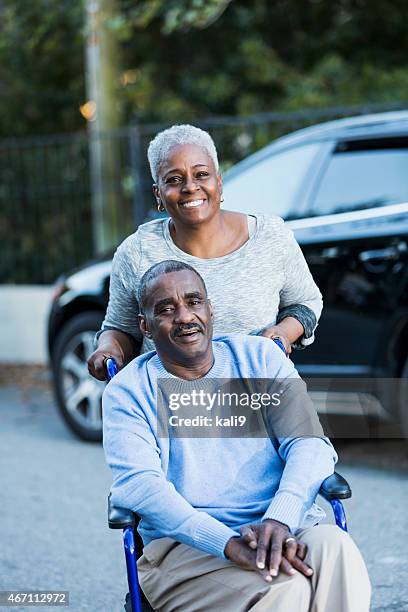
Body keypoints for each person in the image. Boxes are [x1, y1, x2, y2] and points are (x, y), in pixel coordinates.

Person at [103, 260, 371, 612]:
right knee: (287, 589)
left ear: (211, 309)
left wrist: (280, 518)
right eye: (166, 310)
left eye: (193, 301)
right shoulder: (130, 390)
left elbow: (309, 444)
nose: (184, 316)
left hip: (281, 526)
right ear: (146, 327)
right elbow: (141, 486)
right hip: (183, 550)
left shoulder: (259, 359)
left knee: (338, 549)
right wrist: (227, 542)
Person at [88, 124, 323, 380]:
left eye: (201, 174)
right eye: (174, 179)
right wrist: (109, 349)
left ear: (219, 182)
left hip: (254, 400)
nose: (190, 187)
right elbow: (120, 329)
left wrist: (282, 334)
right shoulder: (137, 251)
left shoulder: (270, 237)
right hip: (171, 405)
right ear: (158, 193)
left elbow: (306, 303)